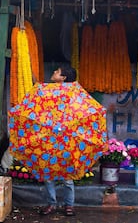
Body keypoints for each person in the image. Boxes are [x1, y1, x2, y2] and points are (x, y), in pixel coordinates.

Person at [40, 65, 77, 217]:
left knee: (67, 178)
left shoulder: (74, 94)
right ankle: (51, 204)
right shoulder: (47, 91)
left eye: (57, 72)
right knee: (48, 175)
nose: (54, 72)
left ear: (63, 78)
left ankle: (69, 206)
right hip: (50, 137)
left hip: (67, 140)